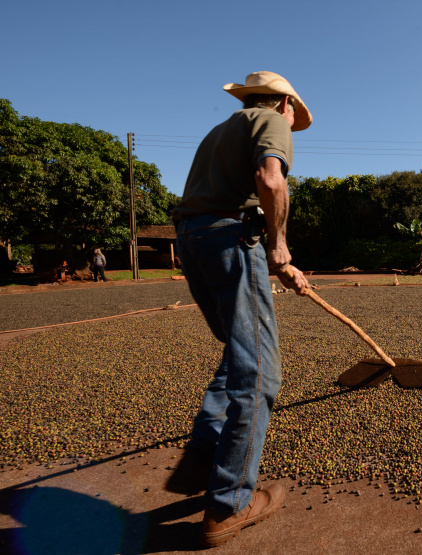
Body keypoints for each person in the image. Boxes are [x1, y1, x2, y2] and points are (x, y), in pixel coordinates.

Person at [168, 71, 312, 548]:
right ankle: (229, 503)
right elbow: (271, 182)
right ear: (284, 104)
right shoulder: (273, 123)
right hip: (232, 239)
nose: (294, 121)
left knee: (238, 349)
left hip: (194, 240)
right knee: (260, 375)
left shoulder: (221, 131)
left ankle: (205, 454)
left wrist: (277, 261)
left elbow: (218, 204)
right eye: (294, 113)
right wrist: (279, 246)